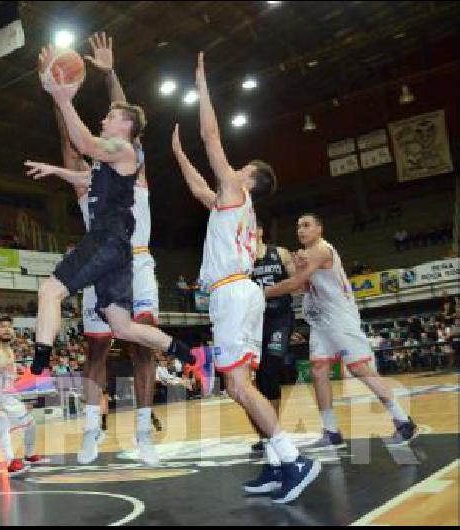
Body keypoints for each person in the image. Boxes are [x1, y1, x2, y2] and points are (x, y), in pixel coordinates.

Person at [26, 43, 212, 435]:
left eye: (111, 117)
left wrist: (94, 82)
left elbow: (101, 138)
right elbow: (79, 157)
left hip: (129, 253)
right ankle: (181, 352)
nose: (104, 119)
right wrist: (57, 167)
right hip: (109, 254)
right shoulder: (97, 178)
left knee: (55, 294)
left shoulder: (129, 158)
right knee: (116, 333)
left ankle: (40, 369)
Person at [170, 51, 319, 504]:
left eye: (241, 168)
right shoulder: (230, 205)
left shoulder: (236, 190)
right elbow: (199, 188)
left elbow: (211, 135)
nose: (232, 170)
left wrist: (201, 86)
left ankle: (293, 458)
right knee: (242, 386)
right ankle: (276, 465)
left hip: (234, 293)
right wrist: (178, 155)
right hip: (241, 293)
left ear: (250, 179)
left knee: (236, 384)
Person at [264, 213, 418, 447]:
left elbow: (293, 285)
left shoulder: (322, 249)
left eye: (306, 225)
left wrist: (259, 293)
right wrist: (297, 268)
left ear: (319, 229)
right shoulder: (307, 255)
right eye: (298, 226)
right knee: (318, 370)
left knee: (359, 368)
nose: (300, 230)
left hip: (340, 317)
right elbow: (301, 289)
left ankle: (403, 421)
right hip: (321, 319)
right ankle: (331, 431)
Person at [0, 316, 47, 477]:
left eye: (9, 326)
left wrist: (19, 398)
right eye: (2, 326)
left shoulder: (10, 351)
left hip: (4, 397)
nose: (6, 329)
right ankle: (10, 463)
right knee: (1, 418)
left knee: (30, 423)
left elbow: (7, 381)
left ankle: (30, 456)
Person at [249, 221, 297, 452]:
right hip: (256, 322)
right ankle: (270, 430)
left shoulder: (279, 253)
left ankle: (272, 430)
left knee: (272, 367)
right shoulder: (242, 260)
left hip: (280, 317)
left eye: (252, 228)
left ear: (260, 231)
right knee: (261, 378)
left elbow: (296, 283)